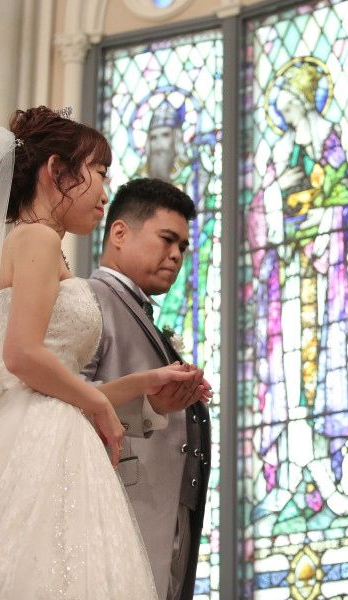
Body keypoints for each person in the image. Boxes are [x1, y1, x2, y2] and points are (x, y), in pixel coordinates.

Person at [0, 107, 203, 597]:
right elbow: (21, 355)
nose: (105, 193)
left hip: (49, 421)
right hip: (33, 437)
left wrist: (143, 385)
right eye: (99, 172)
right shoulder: (34, 237)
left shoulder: (44, 246)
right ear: (57, 171)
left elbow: (51, 380)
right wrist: (98, 403)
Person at [82, 177, 212, 600]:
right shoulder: (89, 299)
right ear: (119, 233)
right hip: (118, 510)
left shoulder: (140, 311)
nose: (176, 255)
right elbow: (63, 404)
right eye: (167, 239)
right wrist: (151, 405)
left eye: (183, 247)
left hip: (171, 513)